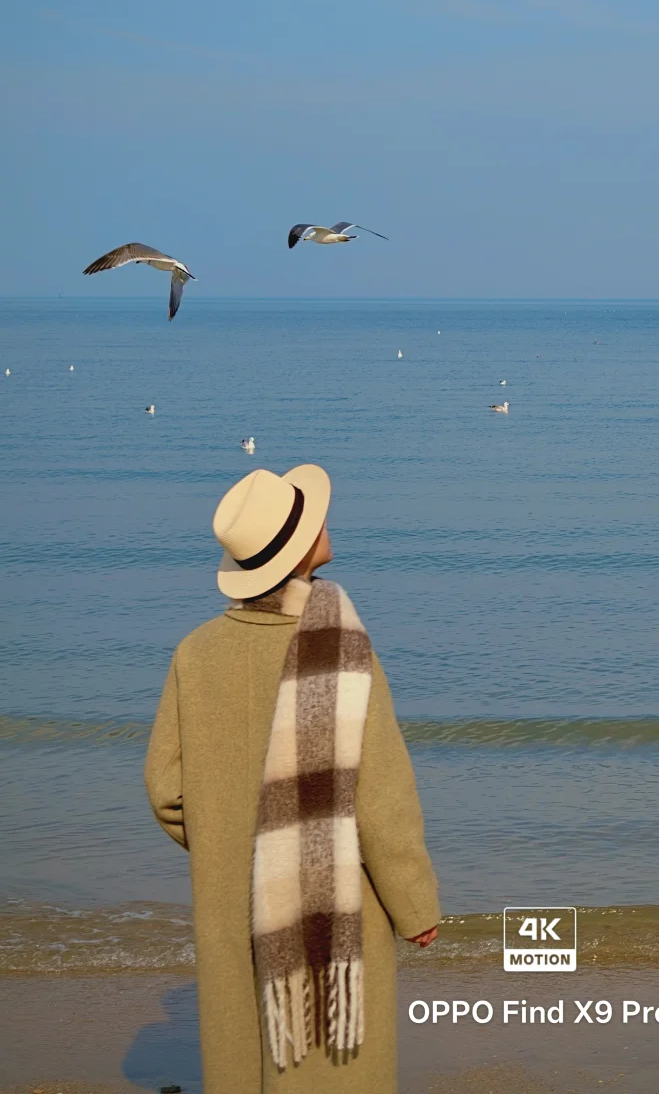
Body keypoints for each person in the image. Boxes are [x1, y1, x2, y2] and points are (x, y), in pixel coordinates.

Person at [145, 463, 440, 1093]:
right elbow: (381, 797)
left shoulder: (194, 653)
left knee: (247, 1054)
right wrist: (415, 906)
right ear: (301, 552)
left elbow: (166, 789)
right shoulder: (343, 648)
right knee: (331, 1061)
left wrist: (230, 840)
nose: (326, 521)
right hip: (336, 902)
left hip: (231, 900)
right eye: (314, 520)